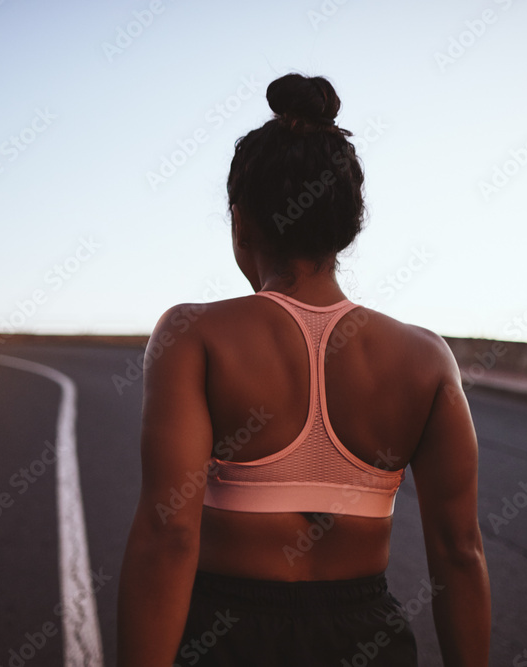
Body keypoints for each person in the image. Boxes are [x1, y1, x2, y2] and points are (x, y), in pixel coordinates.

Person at [117, 73, 490, 666]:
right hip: (368, 639)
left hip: (227, 637)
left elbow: (169, 535)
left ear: (240, 221)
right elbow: (460, 552)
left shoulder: (192, 334)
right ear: (346, 226)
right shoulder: (426, 358)